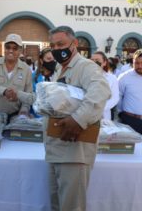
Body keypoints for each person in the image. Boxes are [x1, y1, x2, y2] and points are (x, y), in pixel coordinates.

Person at [46, 26, 110, 211]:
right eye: (53, 45)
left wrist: (78, 120)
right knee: (58, 204)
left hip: (75, 151)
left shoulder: (86, 66)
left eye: (61, 44)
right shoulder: (59, 68)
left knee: (71, 206)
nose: (57, 49)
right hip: (56, 146)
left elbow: (100, 93)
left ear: (74, 44)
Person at [0, 33, 33, 119]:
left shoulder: (26, 69)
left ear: (20, 51)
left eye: (15, 48)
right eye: (8, 47)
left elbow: (28, 95)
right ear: (4, 48)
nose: (11, 50)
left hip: (14, 116)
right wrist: (4, 91)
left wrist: (24, 110)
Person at [117, 49, 142, 134]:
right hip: (130, 121)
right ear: (133, 62)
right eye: (137, 63)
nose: (140, 66)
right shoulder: (124, 77)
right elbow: (118, 96)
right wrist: (121, 114)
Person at [91, 51, 119, 120]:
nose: (94, 62)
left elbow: (115, 98)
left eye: (97, 60)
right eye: (92, 60)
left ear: (104, 63)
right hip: (86, 114)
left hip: (103, 115)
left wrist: (101, 107)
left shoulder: (112, 78)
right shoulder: (84, 76)